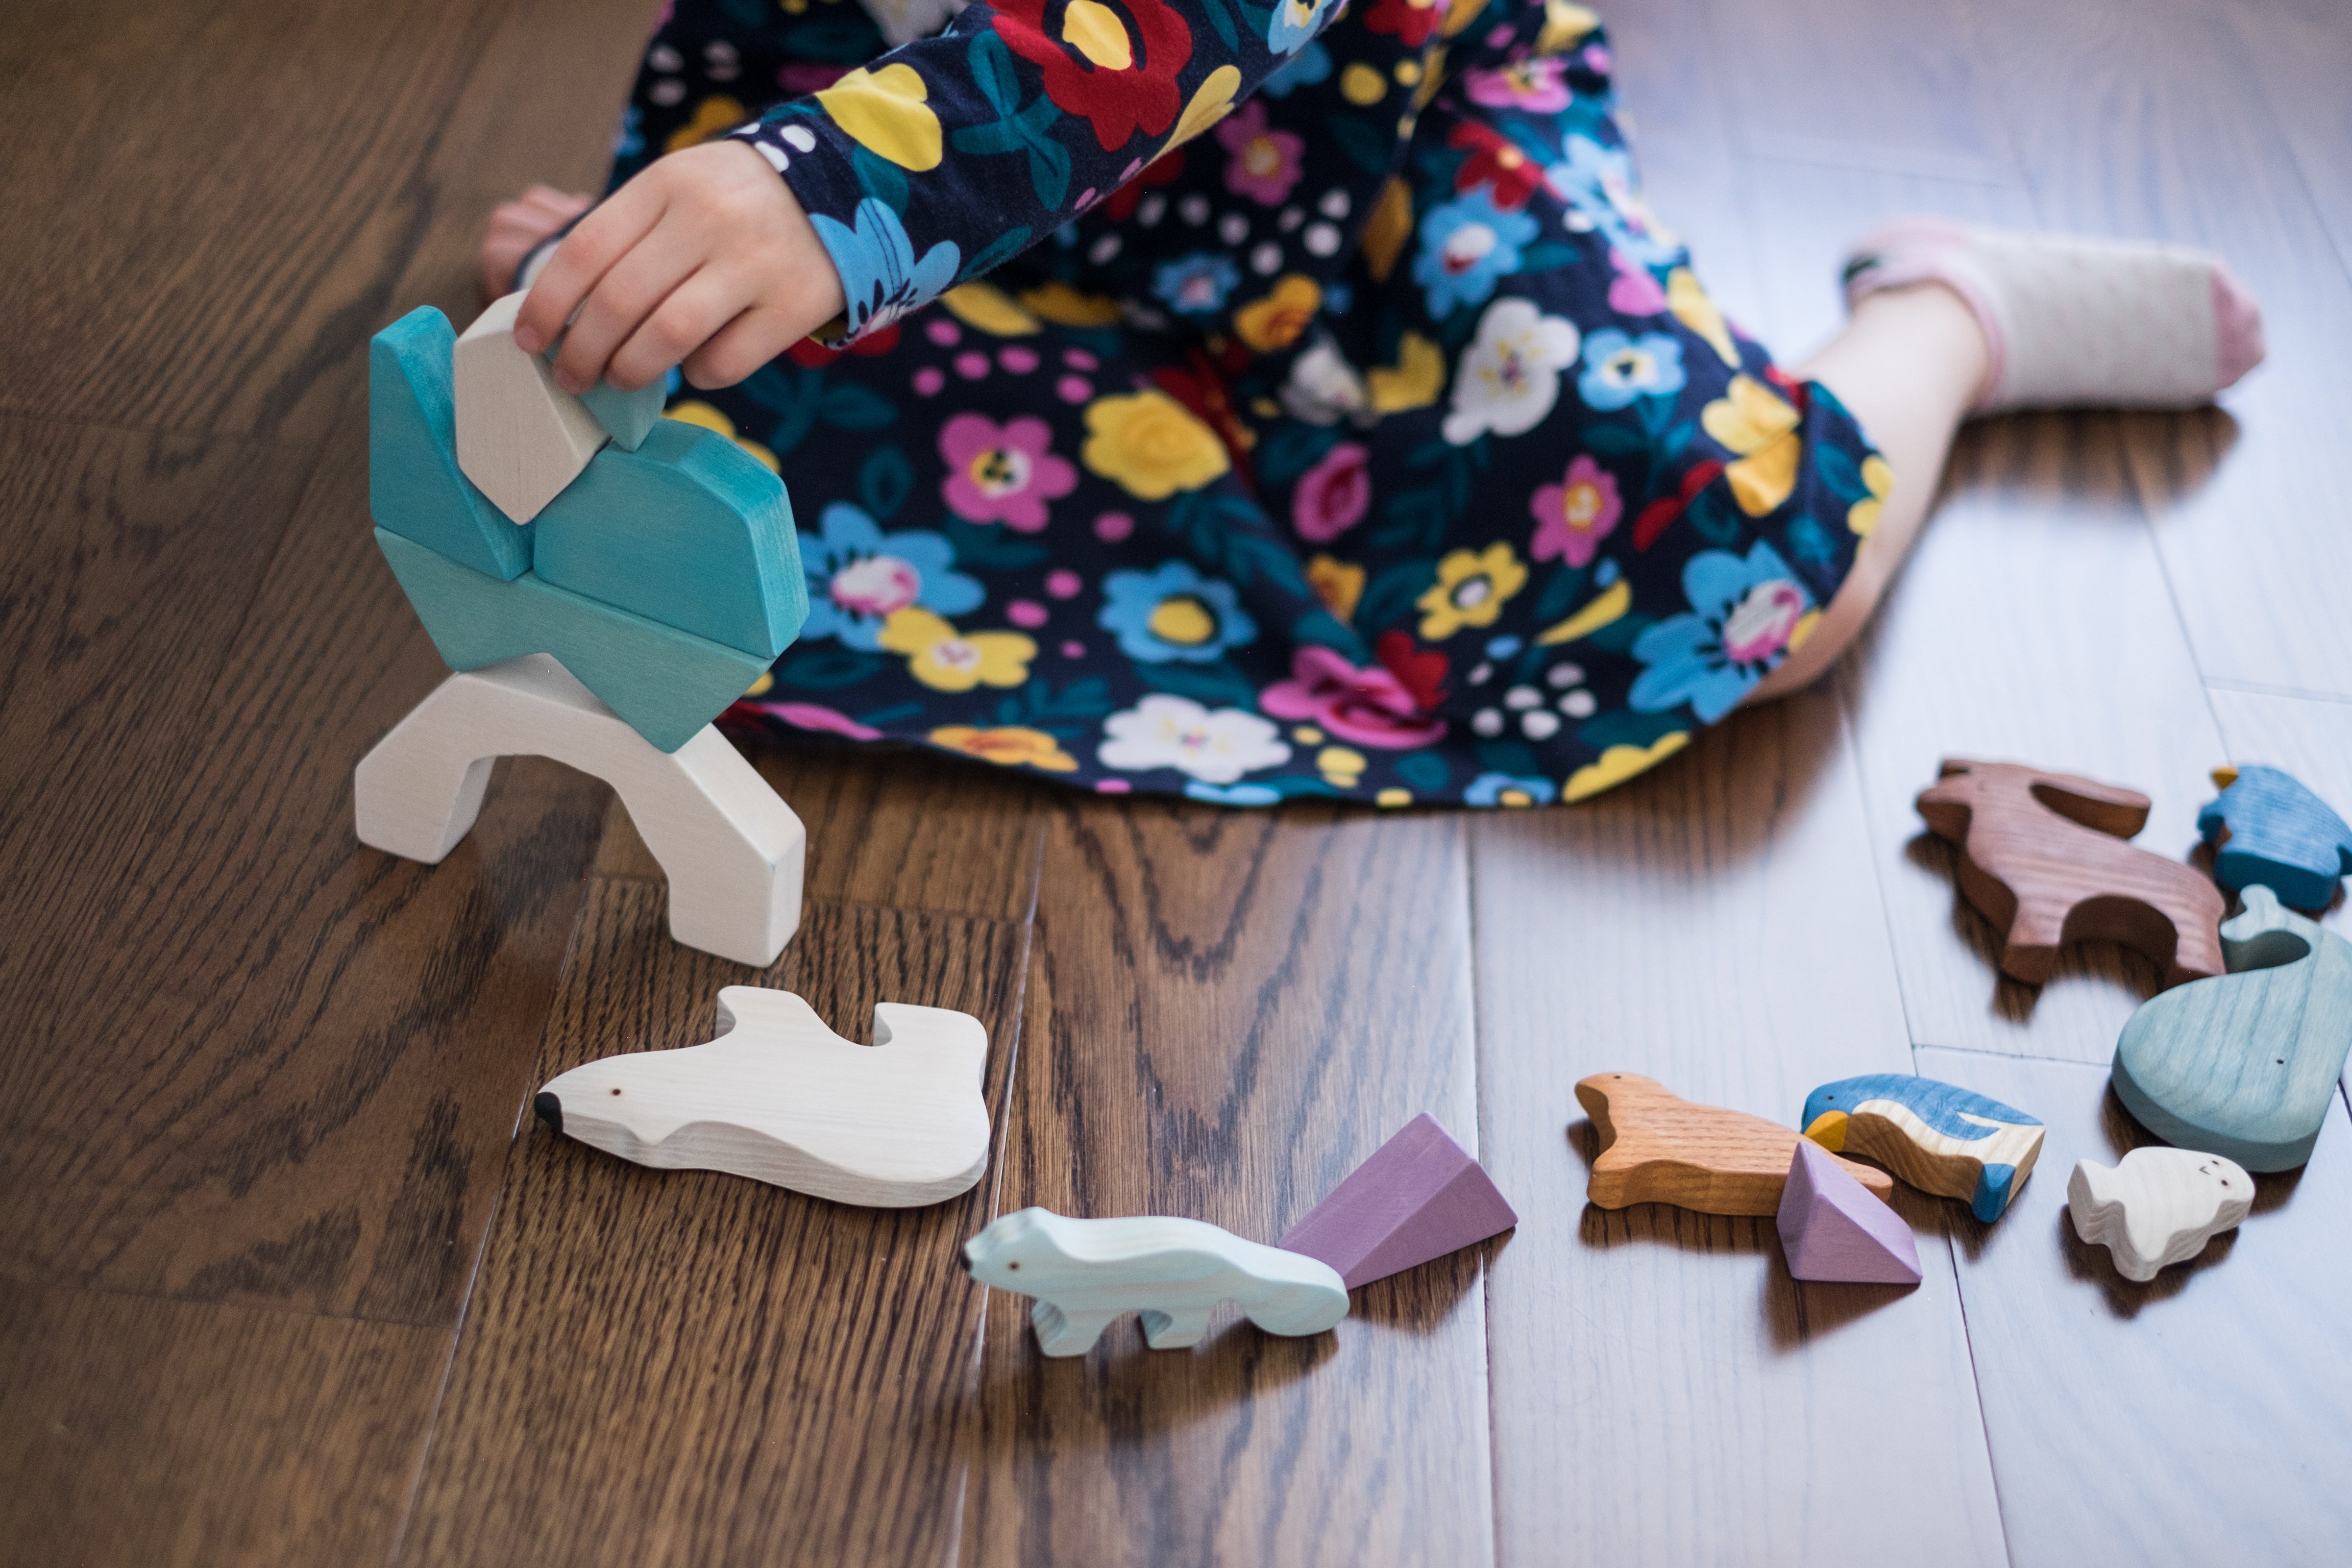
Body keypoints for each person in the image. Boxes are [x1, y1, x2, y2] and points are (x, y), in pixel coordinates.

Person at [480, 0, 2263, 808]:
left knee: (1739, 583)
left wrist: (831, 189)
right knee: (676, 489)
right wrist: (722, 217)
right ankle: (719, 258)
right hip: (959, 160)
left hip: (1380, 158)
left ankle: (1954, 313)